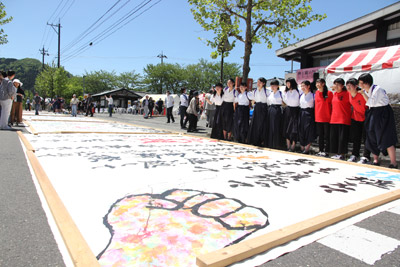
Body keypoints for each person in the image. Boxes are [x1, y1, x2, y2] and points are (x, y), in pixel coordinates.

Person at [358, 73, 397, 168]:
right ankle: (375, 160)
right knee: (372, 135)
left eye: (361, 83)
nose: (360, 85)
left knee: (386, 136)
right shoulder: (368, 90)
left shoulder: (377, 89)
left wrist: (363, 94)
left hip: (383, 113)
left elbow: (371, 102)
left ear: (366, 83)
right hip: (373, 112)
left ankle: (393, 162)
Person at [345, 78, 370, 163]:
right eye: (347, 85)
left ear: (356, 86)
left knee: (366, 138)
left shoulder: (361, 94)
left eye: (350, 85)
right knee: (356, 137)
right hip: (355, 117)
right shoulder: (349, 94)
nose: (348, 87)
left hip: (366, 118)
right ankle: (355, 155)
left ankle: (366, 156)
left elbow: (369, 105)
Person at [330, 78, 351, 160]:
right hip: (334, 119)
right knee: (334, 137)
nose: (336, 86)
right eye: (335, 84)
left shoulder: (347, 94)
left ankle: (342, 154)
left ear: (342, 86)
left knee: (342, 138)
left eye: (338, 85)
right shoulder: (334, 94)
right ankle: (336, 153)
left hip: (343, 119)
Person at [247, 77, 269, 147]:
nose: (258, 83)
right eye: (258, 82)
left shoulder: (267, 91)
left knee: (263, 124)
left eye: (260, 82)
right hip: (257, 107)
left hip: (264, 107)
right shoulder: (255, 91)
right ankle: (255, 140)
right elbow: (251, 97)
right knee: (255, 123)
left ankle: (262, 140)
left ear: (264, 83)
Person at [314, 78, 333, 157]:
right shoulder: (316, 93)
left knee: (327, 136)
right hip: (318, 117)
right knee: (320, 135)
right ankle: (320, 150)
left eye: (319, 83)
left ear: (323, 84)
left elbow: (332, 105)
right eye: (317, 83)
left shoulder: (329, 93)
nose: (317, 84)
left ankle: (327, 150)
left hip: (327, 117)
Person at [282, 77, 300, 152]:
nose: (288, 84)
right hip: (288, 110)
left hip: (295, 110)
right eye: (287, 83)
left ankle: (293, 145)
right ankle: (288, 145)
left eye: (289, 83)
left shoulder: (297, 91)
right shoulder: (286, 92)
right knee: (286, 127)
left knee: (293, 128)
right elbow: (284, 101)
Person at [298, 80, 316, 154]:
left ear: (308, 86)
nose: (302, 87)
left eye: (304, 86)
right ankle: (302, 146)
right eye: (301, 86)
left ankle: (307, 148)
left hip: (309, 113)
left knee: (309, 130)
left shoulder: (313, 95)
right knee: (301, 129)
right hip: (302, 112)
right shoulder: (301, 95)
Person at [266, 79, 284, 149]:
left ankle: (276, 143)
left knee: (276, 126)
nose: (273, 87)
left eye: (274, 85)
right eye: (271, 85)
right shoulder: (270, 93)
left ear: (277, 86)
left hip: (277, 109)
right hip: (270, 109)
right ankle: (270, 143)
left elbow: (284, 102)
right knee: (270, 126)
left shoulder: (281, 93)